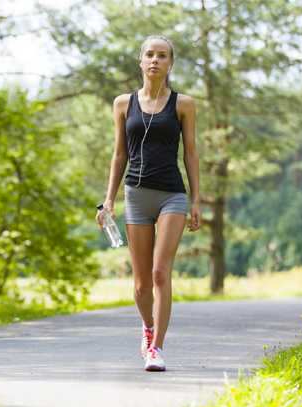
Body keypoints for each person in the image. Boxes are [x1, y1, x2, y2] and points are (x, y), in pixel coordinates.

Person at [95, 35, 201, 372]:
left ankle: (156, 349)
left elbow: (191, 153)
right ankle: (147, 326)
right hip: (136, 196)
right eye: (150, 55)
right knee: (140, 283)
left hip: (172, 193)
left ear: (170, 63)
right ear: (141, 61)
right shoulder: (123, 104)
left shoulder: (183, 104)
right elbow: (119, 153)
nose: (155, 60)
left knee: (159, 272)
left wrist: (196, 200)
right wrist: (108, 199)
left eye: (163, 55)